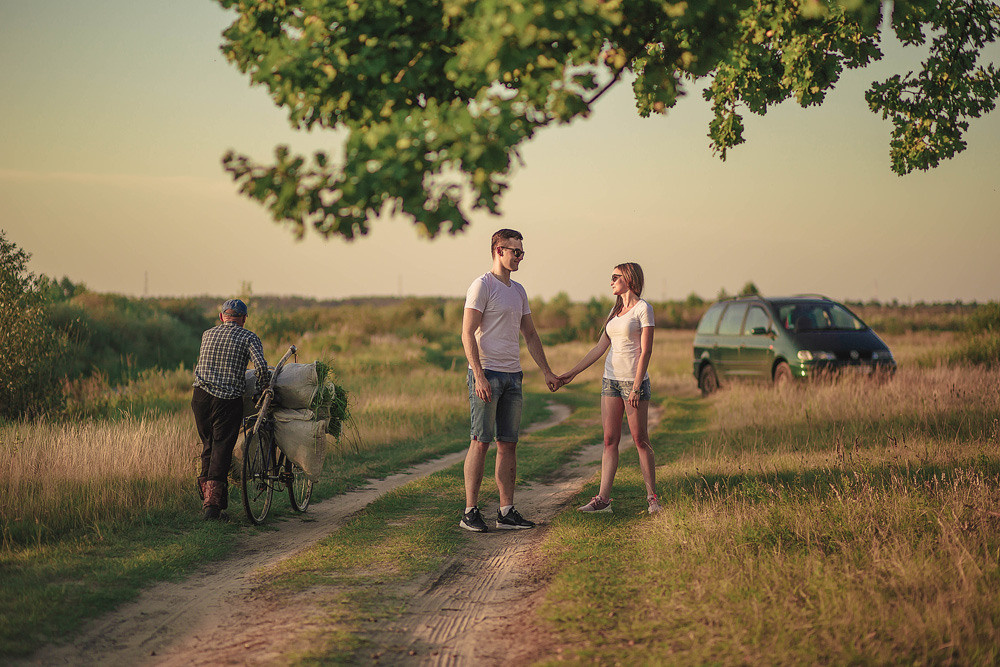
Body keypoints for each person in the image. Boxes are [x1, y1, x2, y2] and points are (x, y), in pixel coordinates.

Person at [460, 229, 560, 533]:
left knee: (508, 444)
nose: (518, 257)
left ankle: (506, 512)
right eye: (514, 251)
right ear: (497, 250)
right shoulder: (482, 286)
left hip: (513, 376)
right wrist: (478, 375)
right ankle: (470, 512)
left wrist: (545, 370)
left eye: (521, 252)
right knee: (480, 441)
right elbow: (467, 333)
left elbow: (530, 334)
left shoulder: (518, 291)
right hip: (487, 374)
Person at [556, 263, 661, 514]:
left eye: (615, 277)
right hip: (610, 382)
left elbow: (646, 350)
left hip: (633, 383)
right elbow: (599, 348)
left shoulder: (643, 309)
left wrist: (636, 387)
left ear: (629, 279)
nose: (611, 281)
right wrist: (571, 374)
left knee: (640, 440)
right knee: (609, 440)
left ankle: (652, 499)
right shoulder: (614, 311)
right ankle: (602, 500)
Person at [191, 299, 270, 520]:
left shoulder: (207, 334)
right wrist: (265, 388)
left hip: (200, 397)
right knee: (221, 449)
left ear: (221, 317)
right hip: (226, 400)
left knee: (208, 444)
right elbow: (261, 367)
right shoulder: (248, 336)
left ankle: (207, 499)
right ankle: (213, 510)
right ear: (244, 318)